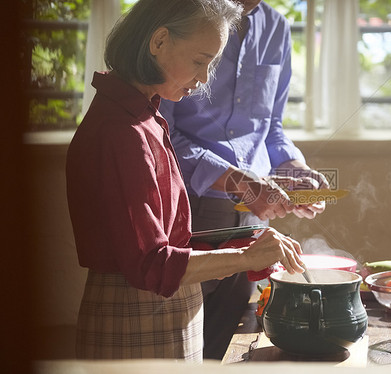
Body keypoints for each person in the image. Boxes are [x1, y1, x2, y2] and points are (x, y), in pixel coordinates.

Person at [65, 0, 305, 362]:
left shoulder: (145, 115)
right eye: (200, 61)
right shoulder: (122, 132)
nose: (205, 77)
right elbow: (153, 265)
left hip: (157, 316)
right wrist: (245, 256)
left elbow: (165, 244)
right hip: (136, 322)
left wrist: (247, 245)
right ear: (159, 41)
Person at [159, 0, 329, 360]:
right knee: (181, 342)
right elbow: (162, 134)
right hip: (190, 209)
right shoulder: (180, 15)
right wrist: (238, 182)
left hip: (253, 215)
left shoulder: (276, 27)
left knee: (229, 338)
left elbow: (271, 129)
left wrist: (294, 168)